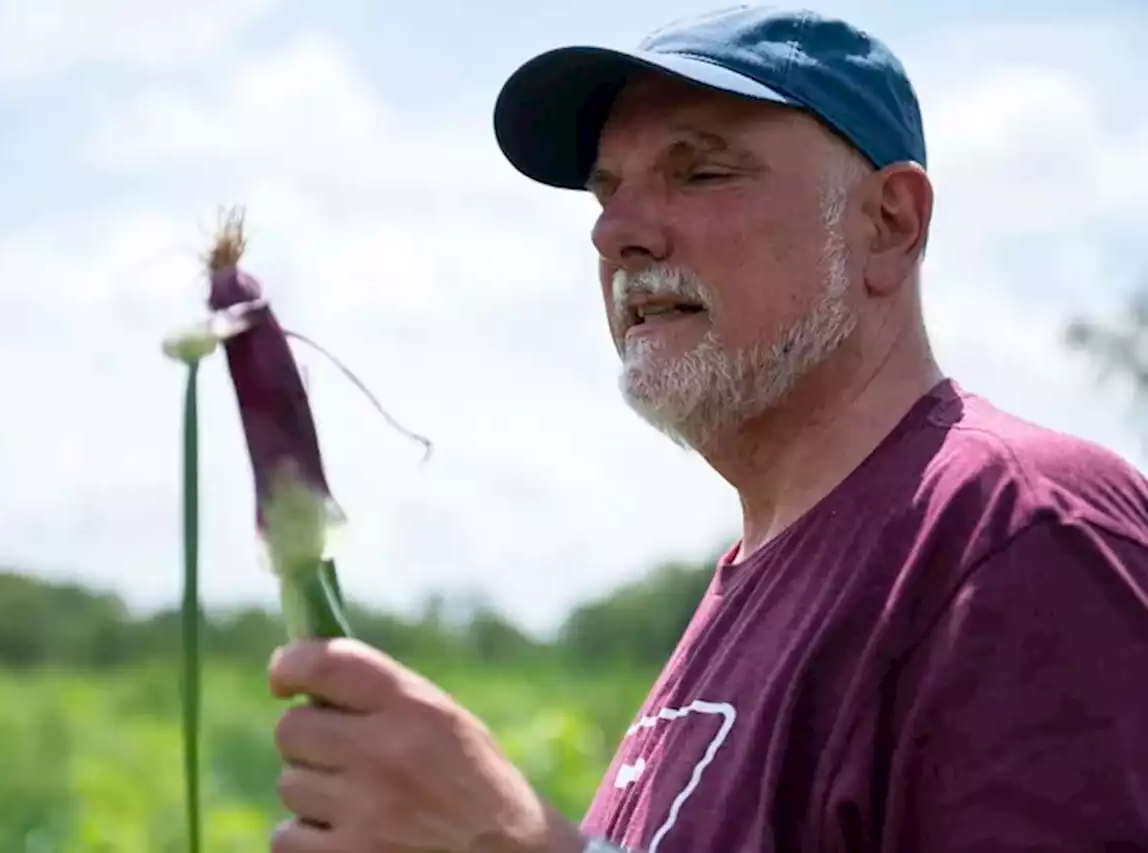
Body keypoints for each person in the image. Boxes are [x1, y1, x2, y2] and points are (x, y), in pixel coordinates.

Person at [267, 6, 1148, 853]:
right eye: (607, 192)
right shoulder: (756, 581)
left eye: (701, 172)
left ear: (890, 224)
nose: (619, 234)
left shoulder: (1019, 532)